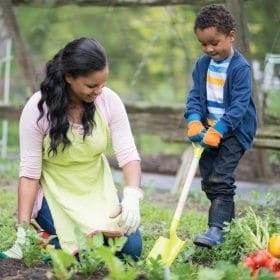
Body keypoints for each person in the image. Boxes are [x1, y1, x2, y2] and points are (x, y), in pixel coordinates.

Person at [0, 38, 143, 260]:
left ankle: (52, 242)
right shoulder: (38, 110)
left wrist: (132, 194)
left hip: (96, 190)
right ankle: (44, 236)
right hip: (55, 193)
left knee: (131, 251)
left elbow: (128, 153)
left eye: (103, 84)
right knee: (83, 253)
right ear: (68, 77)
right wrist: (21, 232)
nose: (99, 91)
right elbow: (29, 174)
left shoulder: (108, 101)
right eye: (91, 85)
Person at [185, 4, 257, 247]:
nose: (209, 49)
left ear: (231, 36)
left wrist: (220, 129)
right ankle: (227, 225)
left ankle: (215, 230)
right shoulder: (202, 65)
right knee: (209, 182)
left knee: (220, 179)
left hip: (234, 131)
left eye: (214, 42)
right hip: (208, 131)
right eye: (203, 44)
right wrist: (194, 119)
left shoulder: (240, 68)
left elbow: (239, 106)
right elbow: (195, 95)